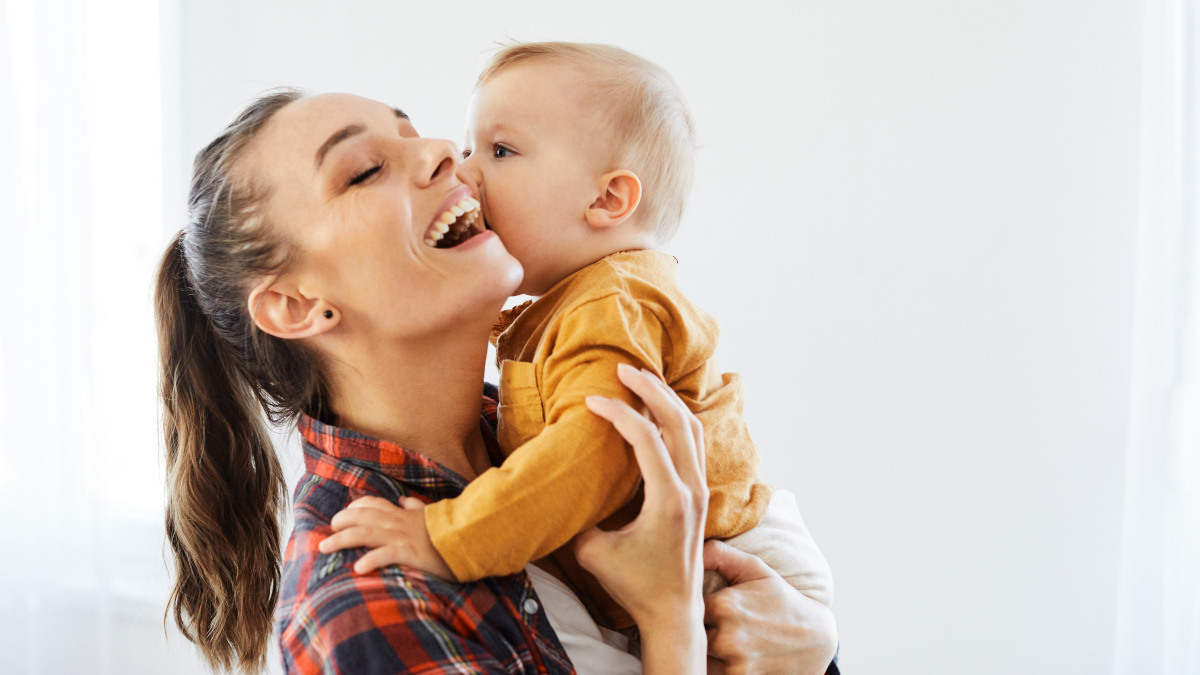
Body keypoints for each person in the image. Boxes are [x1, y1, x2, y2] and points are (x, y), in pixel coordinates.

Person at [154, 87, 838, 674]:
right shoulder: (364, 597)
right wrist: (671, 618)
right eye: (364, 171)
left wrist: (812, 651)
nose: (444, 150)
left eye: (414, 132)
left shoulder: (549, 422)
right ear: (298, 306)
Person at [319, 40, 832, 634]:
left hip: (736, 562)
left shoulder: (613, 304)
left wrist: (448, 537)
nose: (463, 170)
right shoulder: (578, 303)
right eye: (469, 147)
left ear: (607, 199)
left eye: (502, 150)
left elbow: (588, 451)